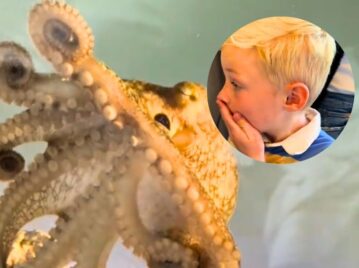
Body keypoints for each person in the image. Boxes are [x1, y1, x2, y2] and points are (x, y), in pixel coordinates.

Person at [216, 17, 336, 163]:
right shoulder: (245, 131)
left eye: (235, 84)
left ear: (292, 98)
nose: (221, 96)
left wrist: (253, 157)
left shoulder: (330, 161)